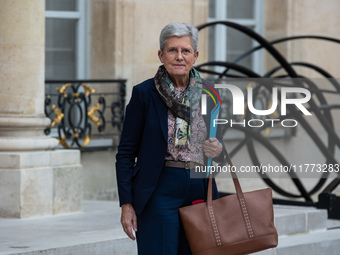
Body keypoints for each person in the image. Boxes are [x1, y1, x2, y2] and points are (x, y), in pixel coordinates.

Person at [116, 22, 226, 255]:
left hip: (199, 187)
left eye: (185, 51)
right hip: (159, 188)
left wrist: (219, 150)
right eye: (172, 50)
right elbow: (126, 153)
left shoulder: (211, 94)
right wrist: (126, 204)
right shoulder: (144, 94)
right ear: (161, 55)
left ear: (195, 56)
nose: (179, 56)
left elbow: (221, 150)